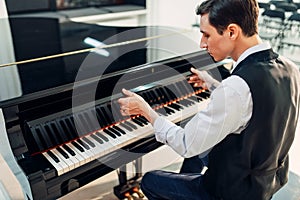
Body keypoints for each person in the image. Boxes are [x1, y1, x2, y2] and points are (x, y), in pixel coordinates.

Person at [117, 0, 300, 199]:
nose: (202, 44)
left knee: (150, 180)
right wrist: (213, 85)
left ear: (232, 32)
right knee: (199, 148)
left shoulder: (236, 88)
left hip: (231, 192)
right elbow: (255, 105)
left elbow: (185, 143)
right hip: (267, 179)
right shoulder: (290, 68)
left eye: (206, 34)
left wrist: (147, 111)